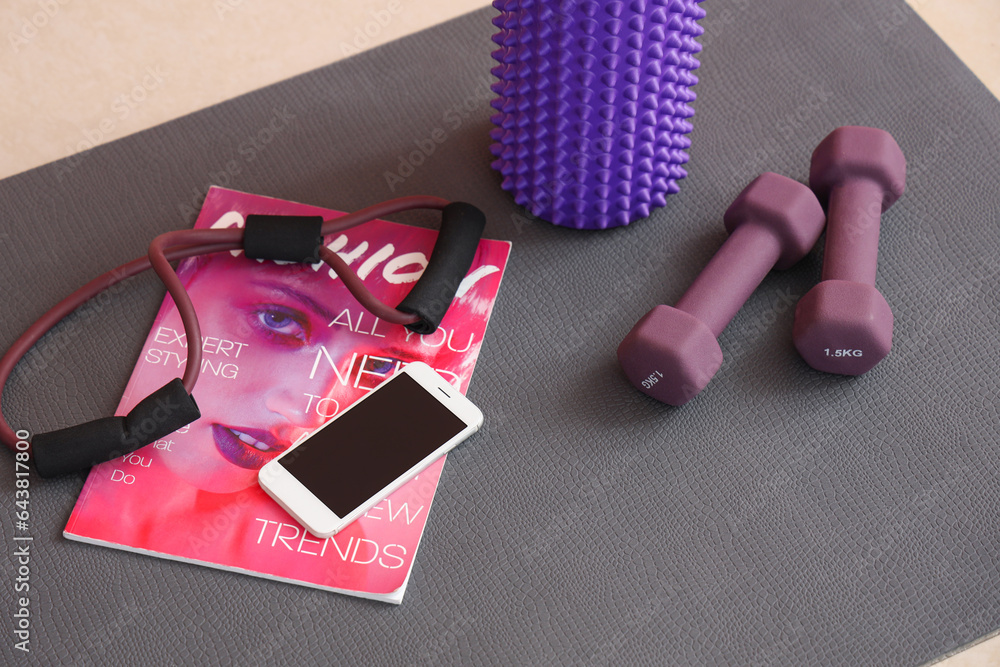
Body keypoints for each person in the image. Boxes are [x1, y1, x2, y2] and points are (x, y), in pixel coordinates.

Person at [66, 198, 505, 595]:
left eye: (382, 368)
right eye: (278, 319)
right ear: (192, 275)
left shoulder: (326, 559)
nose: (306, 411)